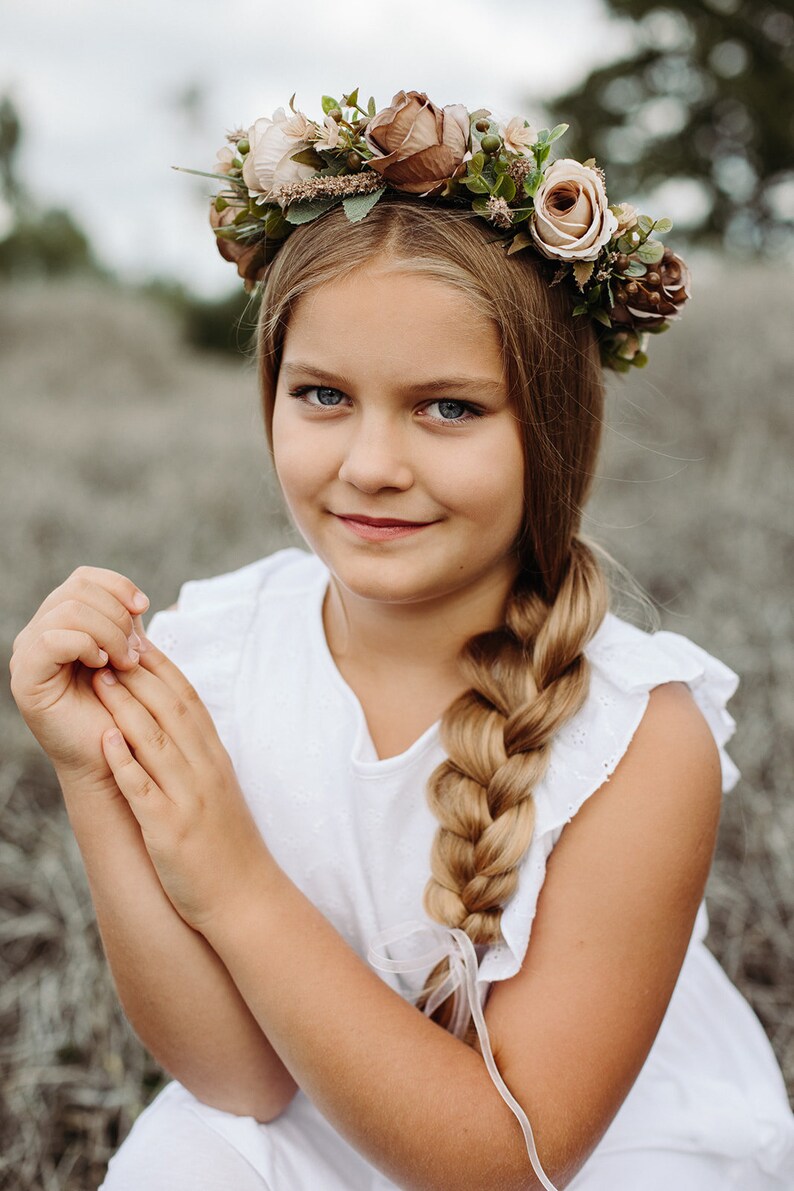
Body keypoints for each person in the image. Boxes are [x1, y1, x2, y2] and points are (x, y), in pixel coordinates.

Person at [9, 89, 794, 1190]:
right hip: (313, 1105)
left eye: (447, 408)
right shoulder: (218, 652)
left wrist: (234, 884)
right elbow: (241, 1083)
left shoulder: (636, 739)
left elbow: (503, 1164)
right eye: (322, 394)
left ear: (552, 431)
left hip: (584, 1149)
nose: (370, 463)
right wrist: (93, 773)